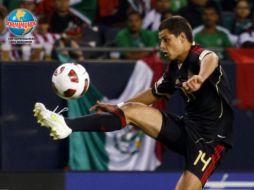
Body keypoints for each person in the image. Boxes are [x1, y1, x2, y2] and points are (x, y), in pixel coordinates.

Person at [33, 16, 233, 189]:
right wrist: (120, 106)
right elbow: (154, 93)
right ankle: (65, 124)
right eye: (160, 41)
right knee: (130, 111)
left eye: (166, 40)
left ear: (182, 37)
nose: (162, 46)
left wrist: (201, 77)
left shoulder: (199, 56)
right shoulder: (174, 69)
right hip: (187, 128)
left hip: (210, 140)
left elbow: (212, 58)